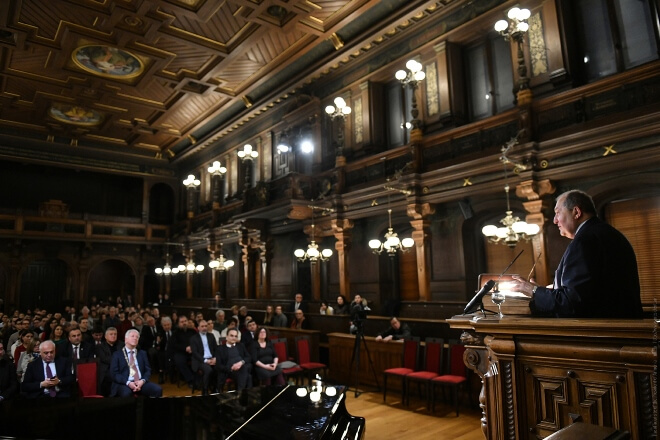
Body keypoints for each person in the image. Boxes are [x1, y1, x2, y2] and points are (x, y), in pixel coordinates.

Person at [510, 190, 643, 318]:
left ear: (576, 212)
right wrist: (543, 292)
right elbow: (590, 292)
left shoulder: (585, 240)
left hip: (602, 333)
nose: (555, 221)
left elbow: (571, 304)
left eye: (557, 213)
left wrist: (533, 291)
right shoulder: (606, 232)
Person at [109, 329, 162, 397]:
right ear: (126, 339)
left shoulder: (142, 353)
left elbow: (148, 370)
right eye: (132, 336)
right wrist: (128, 383)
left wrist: (142, 381)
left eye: (137, 337)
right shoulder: (117, 354)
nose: (135, 338)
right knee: (126, 393)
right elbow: (114, 374)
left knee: (158, 389)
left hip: (140, 382)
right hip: (124, 383)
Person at [190, 320, 217, 395]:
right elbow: (195, 353)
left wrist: (215, 358)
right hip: (200, 360)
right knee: (208, 370)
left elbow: (216, 348)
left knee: (219, 367)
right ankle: (205, 390)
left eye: (206, 326)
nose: (204, 328)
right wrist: (206, 361)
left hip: (211, 358)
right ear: (198, 328)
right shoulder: (193, 338)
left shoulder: (211, 336)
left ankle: (215, 388)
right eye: (202, 326)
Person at [95, 327, 124, 396]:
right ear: (105, 336)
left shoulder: (122, 345)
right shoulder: (100, 347)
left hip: (121, 369)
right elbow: (104, 359)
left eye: (115, 334)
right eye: (111, 334)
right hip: (107, 370)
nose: (113, 336)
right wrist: (118, 360)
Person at [171, 315, 197, 389]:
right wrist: (185, 348)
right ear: (178, 323)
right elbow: (174, 345)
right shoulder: (175, 333)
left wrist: (192, 347)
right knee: (179, 361)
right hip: (181, 352)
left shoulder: (192, 331)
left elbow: (197, 341)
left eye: (185, 321)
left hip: (193, 351)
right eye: (182, 322)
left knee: (199, 358)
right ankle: (190, 380)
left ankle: (198, 378)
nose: (184, 323)